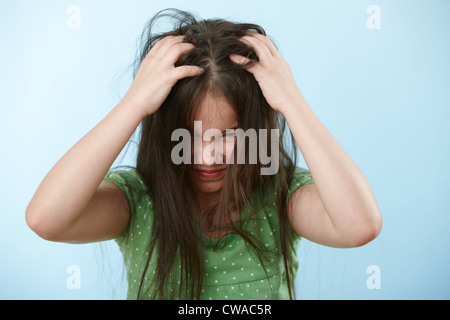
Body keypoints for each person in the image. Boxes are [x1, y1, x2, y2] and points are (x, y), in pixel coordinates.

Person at [26, 9, 383, 300]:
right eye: (189, 137)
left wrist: (291, 102)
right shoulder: (136, 202)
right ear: (164, 133)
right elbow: (46, 219)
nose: (209, 158)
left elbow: (359, 226)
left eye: (228, 134)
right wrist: (133, 104)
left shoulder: (281, 196)